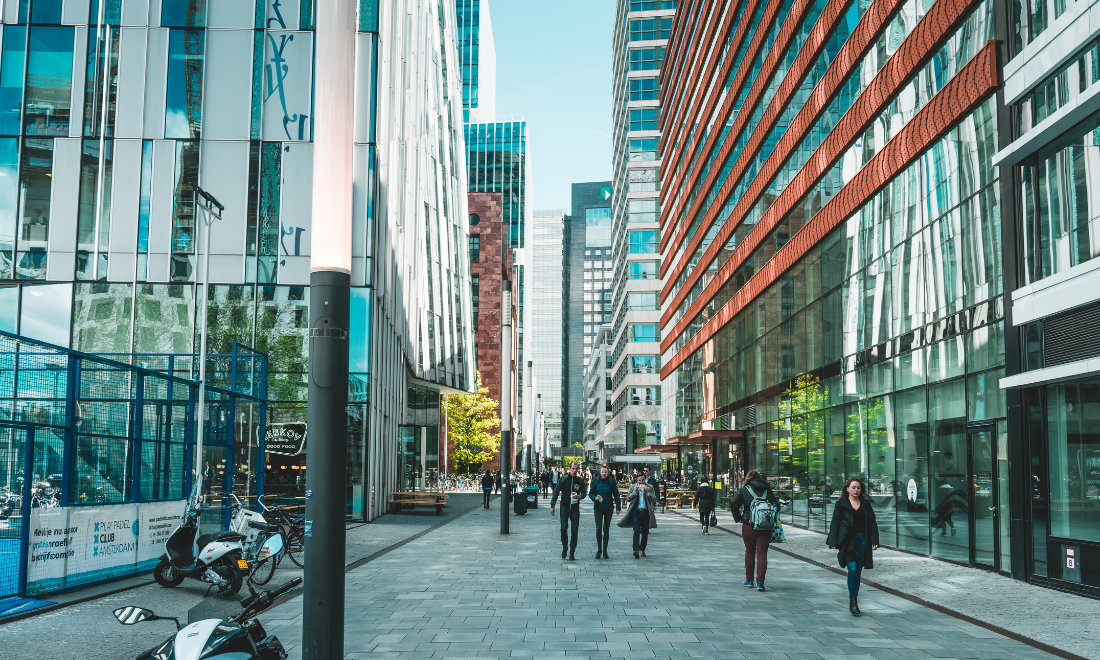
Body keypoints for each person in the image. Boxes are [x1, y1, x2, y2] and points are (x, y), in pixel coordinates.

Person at [828, 477, 880, 616]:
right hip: (848, 542)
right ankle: (853, 603)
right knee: (852, 569)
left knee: (857, 572)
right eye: (853, 487)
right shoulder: (841, 504)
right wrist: (833, 541)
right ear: (847, 489)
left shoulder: (866, 504)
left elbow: (872, 523)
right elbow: (835, 523)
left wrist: (875, 539)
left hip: (863, 540)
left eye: (858, 488)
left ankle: (854, 600)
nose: (856, 490)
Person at [730, 470, 777, 591]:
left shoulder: (745, 489)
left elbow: (734, 502)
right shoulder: (767, 489)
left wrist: (739, 518)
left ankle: (749, 580)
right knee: (762, 553)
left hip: (748, 525)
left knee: (750, 551)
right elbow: (777, 506)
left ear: (748, 479)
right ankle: (760, 583)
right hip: (766, 527)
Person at [550, 463, 588, 560]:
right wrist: (552, 505)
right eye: (573, 468)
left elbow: (584, 492)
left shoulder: (579, 481)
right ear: (569, 469)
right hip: (564, 507)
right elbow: (556, 491)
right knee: (563, 528)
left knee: (574, 531)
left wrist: (580, 496)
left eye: (576, 469)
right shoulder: (563, 479)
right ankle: (565, 547)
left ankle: (572, 552)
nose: (574, 470)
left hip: (575, 508)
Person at [618, 472, 657, 558]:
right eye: (639, 480)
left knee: (645, 532)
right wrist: (634, 492)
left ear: (645, 479)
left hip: (646, 512)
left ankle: (642, 549)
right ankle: (636, 550)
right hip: (636, 512)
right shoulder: (632, 487)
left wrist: (648, 492)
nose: (641, 482)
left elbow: (654, 499)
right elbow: (628, 499)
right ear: (637, 480)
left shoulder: (650, 487)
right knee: (636, 531)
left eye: (643, 480)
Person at [588, 466, 621, 559]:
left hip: (608, 508)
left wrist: (618, 507)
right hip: (598, 507)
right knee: (598, 528)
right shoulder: (595, 481)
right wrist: (594, 498)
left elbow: (616, 494)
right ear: (600, 472)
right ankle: (599, 549)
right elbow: (590, 493)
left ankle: (605, 550)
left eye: (606, 472)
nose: (604, 474)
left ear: (608, 473)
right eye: (603, 472)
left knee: (606, 529)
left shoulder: (611, 481)